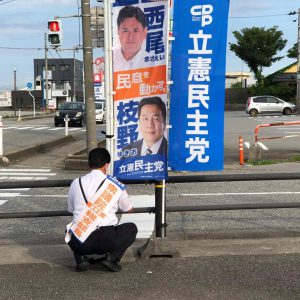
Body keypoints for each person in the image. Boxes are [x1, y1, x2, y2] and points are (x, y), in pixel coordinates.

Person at [65, 147, 137, 272]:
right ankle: (111, 259)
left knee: (70, 229)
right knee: (131, 228)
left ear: (89, 164)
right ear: (106, 165)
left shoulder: (76, 183)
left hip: (81, 242)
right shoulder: (114, 185)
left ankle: (81, 259)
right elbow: (128, 209)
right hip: (107, 239)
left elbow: (71, 209)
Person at [113, 5, 148, 72]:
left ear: (145, 32)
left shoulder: (153, 62)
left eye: (135, 30)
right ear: (118, 31)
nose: (130, 37)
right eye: (125, 31)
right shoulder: (108, 61)